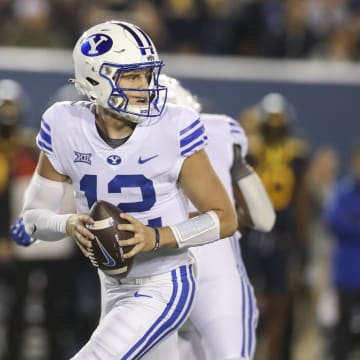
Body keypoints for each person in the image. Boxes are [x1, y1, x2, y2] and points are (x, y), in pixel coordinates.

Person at [20, 20, 238, 360]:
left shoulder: (173, 127)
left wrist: (157, 236)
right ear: (94, 77)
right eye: (132, 76)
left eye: (147, 75)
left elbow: (225, 219)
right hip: (112, 285)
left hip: (166, 282)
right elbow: (32, 221)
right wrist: (67, 224)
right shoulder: (65, 125)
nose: (144, 86)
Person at [159, 75, 275, 360]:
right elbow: (264, 219)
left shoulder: (123, 143)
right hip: (215, 275)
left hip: (158, 276)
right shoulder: (219, 131)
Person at [240, 93, 311, 360]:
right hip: (254, 233)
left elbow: (302, 199)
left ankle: (273, 353)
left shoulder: (296, 154)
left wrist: (302, 243)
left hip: (282, 234)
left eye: (277, 123)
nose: (274, 128)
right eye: (270, 122)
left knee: (280, 299)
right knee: (250, 298)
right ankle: (250, 351)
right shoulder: (252, 150)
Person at [325, 140, 360, 360]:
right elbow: (334, 222)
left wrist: (353, 221)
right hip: (346, 273)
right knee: (342, 328)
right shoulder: (342, 193)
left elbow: (344, 223)